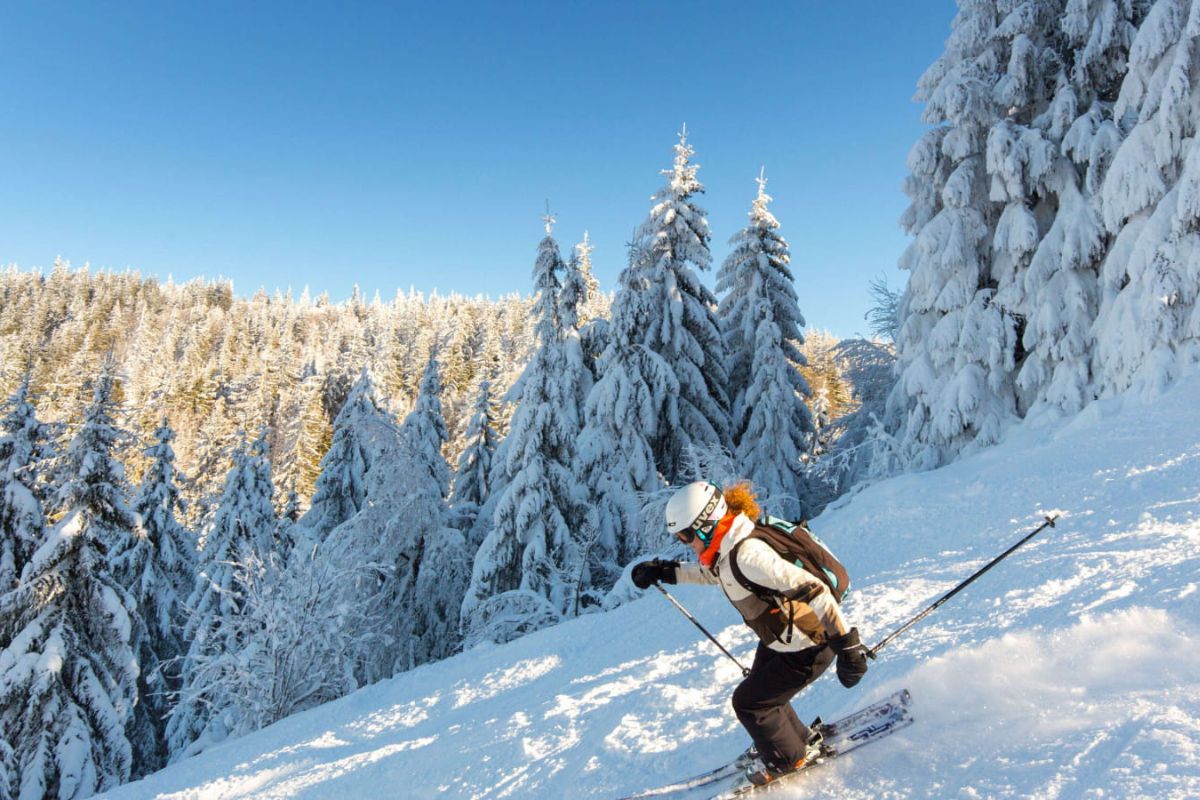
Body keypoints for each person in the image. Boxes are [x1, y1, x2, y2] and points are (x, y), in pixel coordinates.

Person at [631, 480, 869, 787]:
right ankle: (793, 739)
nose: (685, 542)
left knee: (749, 702)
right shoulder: (730, 545)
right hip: (784, 639)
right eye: (680, 537)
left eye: (687, 535)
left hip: (808, 645)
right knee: (762, 691)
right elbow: (716, 574)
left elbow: (816, 590)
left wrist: (847, 646)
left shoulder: (747, 555)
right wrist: (665, 571)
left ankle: (787, 758)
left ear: (707, 524)